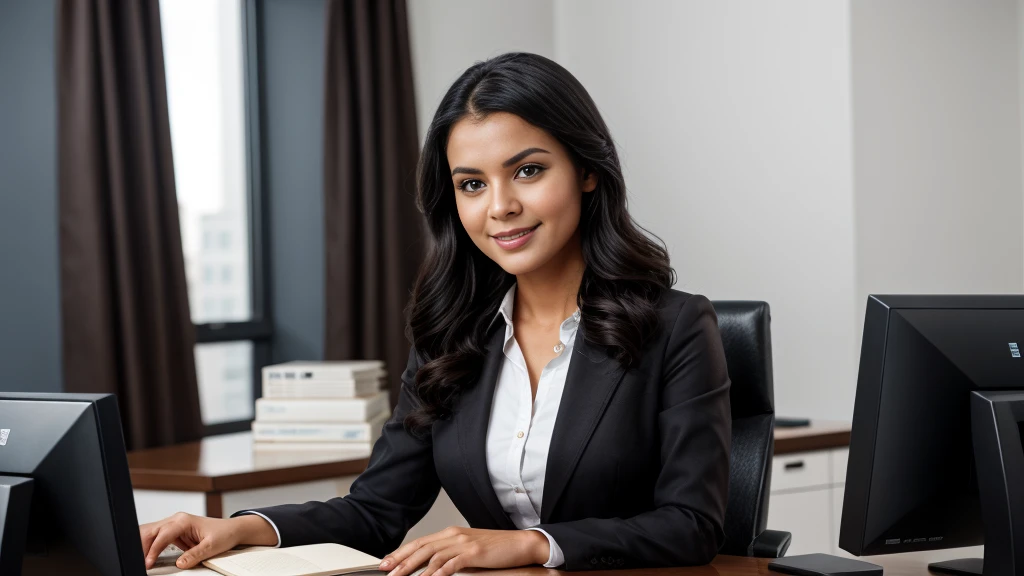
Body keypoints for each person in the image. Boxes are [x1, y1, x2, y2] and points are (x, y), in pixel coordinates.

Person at [139, 52, 732, 574]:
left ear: (587, 172)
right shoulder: (453, 337)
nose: (500, 206)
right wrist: (244, 528)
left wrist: (531, 545)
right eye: (471, 184)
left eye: (528, 170)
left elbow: (691, 525)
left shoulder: (676, 327)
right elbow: (375, 511)